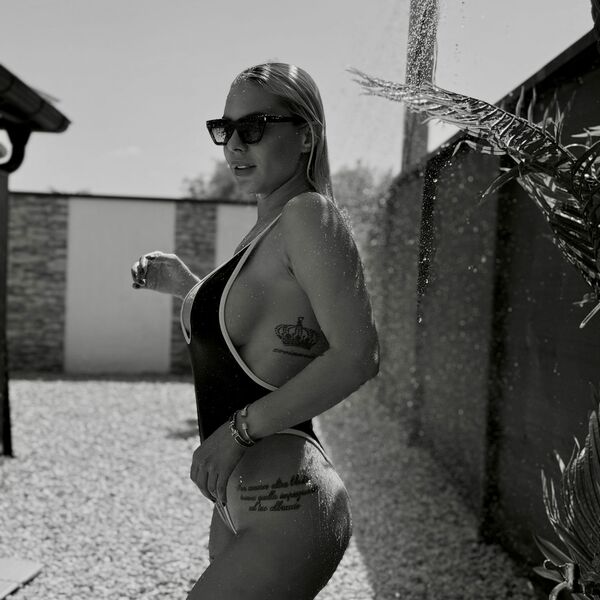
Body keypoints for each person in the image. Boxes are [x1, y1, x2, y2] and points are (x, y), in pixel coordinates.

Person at [131, 62, 379, 600]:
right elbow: (255, 342)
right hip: (244, 502)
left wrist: (236, 433)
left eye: (254, 127)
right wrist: (188, 288)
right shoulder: (267, 227)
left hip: (288, 502)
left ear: (306, 134)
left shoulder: (309, 215)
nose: (235, 145)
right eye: (225, 129)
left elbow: (358, 355)